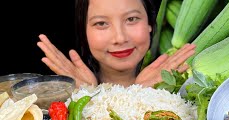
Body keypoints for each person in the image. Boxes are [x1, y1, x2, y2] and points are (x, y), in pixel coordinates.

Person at [37, 0, 196, 88]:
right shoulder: (63, 94)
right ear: (84, 30)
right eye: (101, 23)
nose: (120, 38)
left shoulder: (180, 90)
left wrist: (144, 94)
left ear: (150, 24)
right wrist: (87, 95)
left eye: (131, 19)